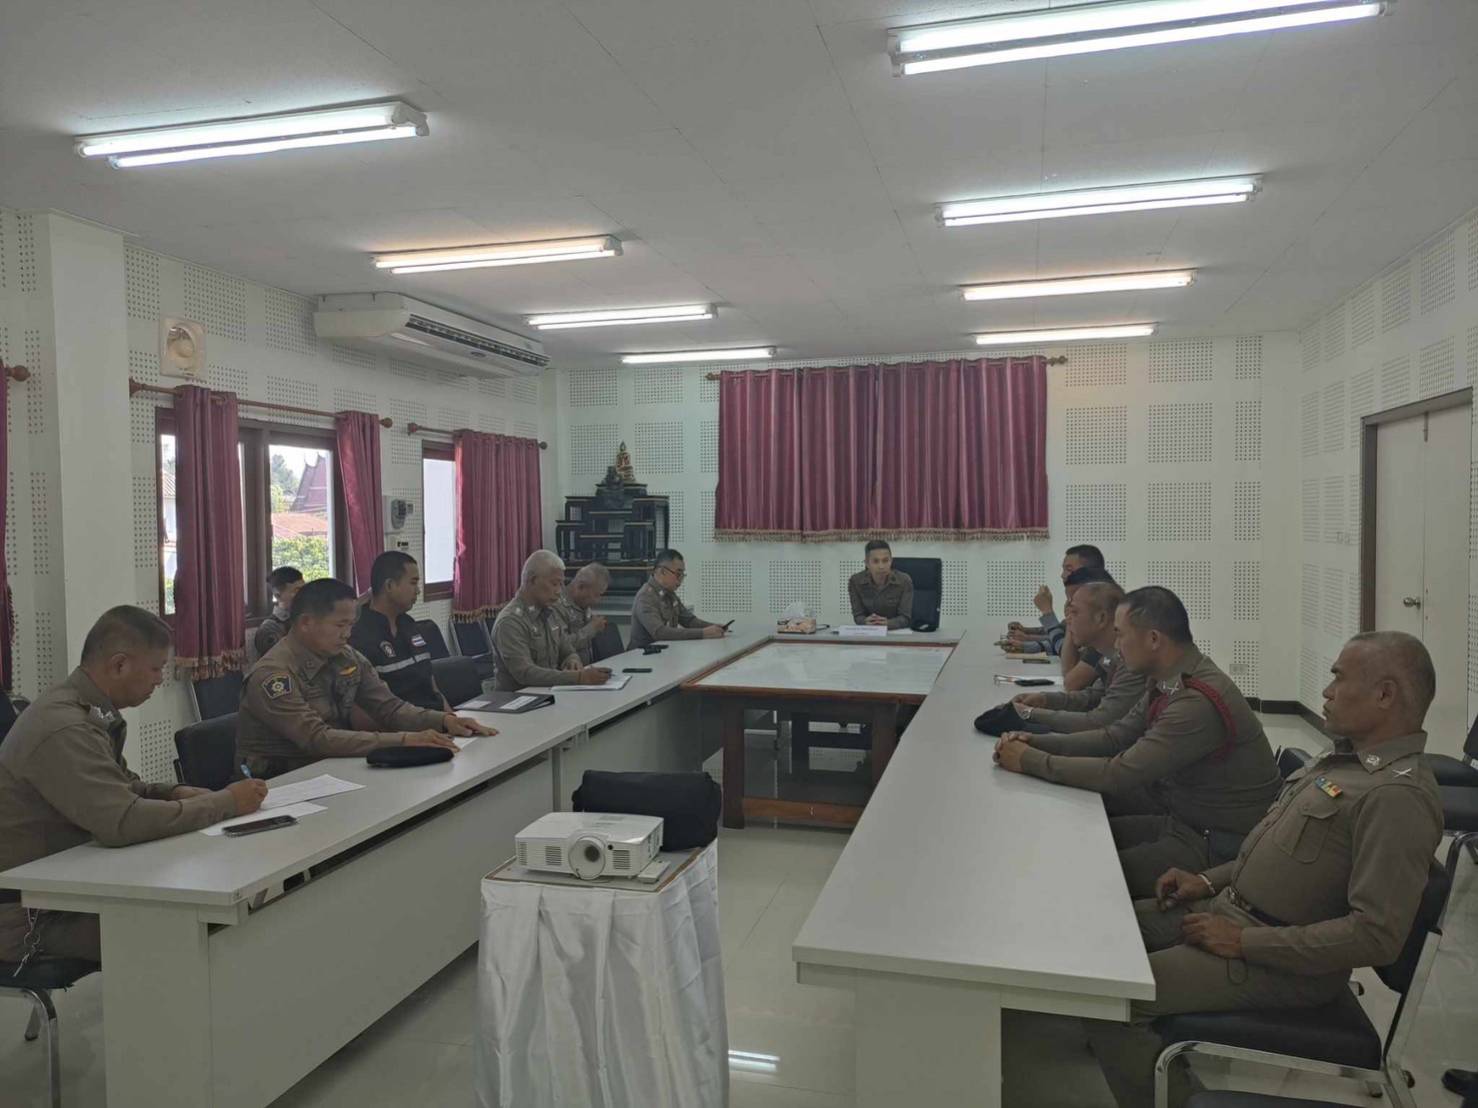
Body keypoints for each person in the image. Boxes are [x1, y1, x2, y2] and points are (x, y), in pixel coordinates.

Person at [1087, 632, 1444, 1108]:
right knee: (1103, 935)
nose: (1326, 691)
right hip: (1227, 911)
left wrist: (1242, 942)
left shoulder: (1396, 797)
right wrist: (1206, 881)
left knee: (1112, 999)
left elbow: (1376, 936)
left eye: (1339, 678)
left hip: (1278, 962)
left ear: (1384, 695)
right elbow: (1277, 851)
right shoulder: (1345, 762)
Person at [0, 606, 268, 965]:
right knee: (189, 925)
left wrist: (173, 793)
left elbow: (122, 785)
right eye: (156, 668)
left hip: (72, 886)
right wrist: (227, 803)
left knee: (209, 903)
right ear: (120, 665)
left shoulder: (88, 710)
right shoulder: (65, 727)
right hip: (31, 916)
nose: (160, 680)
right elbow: (123, 822)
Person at [995, 586, 1281, 897]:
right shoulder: (1170, 680)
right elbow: (1115, 735)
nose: (1117, 646)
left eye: (1121, 635)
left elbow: (1118, 773)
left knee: (1084, 874)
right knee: (1071, 842)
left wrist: (1028, 760)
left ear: (1153, 639)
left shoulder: (1194, 702)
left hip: (1214, 845)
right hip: (1183, 822)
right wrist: (1033, 742)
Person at [239, 579, 493, 778]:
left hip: (335, 770)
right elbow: (317, 739)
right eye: (340, 625)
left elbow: (389, 708)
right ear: (306, 622)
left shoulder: (345, 656)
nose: (347, 634)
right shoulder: (273, 675)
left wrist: (444, 721)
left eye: (351, 625)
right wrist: (405, 740)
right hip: (280, 784)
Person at [1010, 582, 1146, 732]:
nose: (1068, 619)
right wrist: (1044, 699)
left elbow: (1098, 722)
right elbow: (1091, 697)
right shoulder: (1108, 656)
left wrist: (1029, 713)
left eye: (1074, 612)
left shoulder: (1131, 661)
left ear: (1101, 618)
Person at [491, 551, 613, 691]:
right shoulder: (510, 622)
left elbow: (567, 650)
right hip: (518, 698)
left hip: (550, 694)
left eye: (561, 584)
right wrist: (578, 677)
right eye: (554, 584)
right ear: (533, 580)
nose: (559, 591)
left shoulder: (549, 613)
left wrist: (572, 660)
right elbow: (525, 673)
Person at [349, 551, 446, 711]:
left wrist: (452, 718)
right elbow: (363, 706)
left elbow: (432, 686)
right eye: (413, 583)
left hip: (436, 719)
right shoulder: (359, 635)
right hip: (402, 722)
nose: (418, 591)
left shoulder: (409, 624)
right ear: (389, 586)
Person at [1006, 544, 1105, 656]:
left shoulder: (1098, 604)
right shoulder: (1084, 598)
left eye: (1069, 569)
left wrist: (1047, 612)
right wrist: (1026, 640)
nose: (1062, 575)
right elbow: (1063, 636)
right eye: (1063, 569)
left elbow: (1066, 650)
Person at [629, 548, 725, 649]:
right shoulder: (646, 597)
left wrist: (716, 627)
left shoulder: (670, 594)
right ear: (662, 571)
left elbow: (689, 621)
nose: (681, 580)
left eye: (682, 575)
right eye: (678, 574)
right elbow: (660, 632)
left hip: (665, 653)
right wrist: (703, 633)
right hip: (642, 656)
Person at [551, 563, 611, 666]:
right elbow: (561, 645)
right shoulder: (557, 606)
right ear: (581, 587)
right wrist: (592, 629)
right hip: (567, 671)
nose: (598, 601)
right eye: (597, 595)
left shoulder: (583, 603)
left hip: (587, 669)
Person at [847, 540, 914, 629]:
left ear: (891, 561)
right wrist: (865, 621)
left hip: (895, 631)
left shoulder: (904, 581)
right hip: (869, 631)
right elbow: (858, 615)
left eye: (885, 560)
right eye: (875, 561)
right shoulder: (855, 581)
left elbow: (905, 618)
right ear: (867, 563)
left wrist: (888, 623)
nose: (881, 566)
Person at [248, 566, 304, 663]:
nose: (304, 595)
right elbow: (282, 660)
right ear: (278, 595)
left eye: (304, 590)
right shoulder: (269, 628)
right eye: (297, 591)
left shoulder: (305, 619)